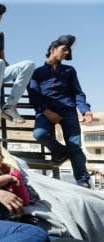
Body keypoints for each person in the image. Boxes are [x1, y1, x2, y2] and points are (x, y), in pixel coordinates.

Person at [28, 34, 95, 189]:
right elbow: (34, 95)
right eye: (64, 49)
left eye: (68, 51)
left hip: (68, 110)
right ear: (53, 50)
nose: (66, 53)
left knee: (75, 145)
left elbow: (77, 92)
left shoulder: (69, 70)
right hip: (45, 111)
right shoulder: (36, 72)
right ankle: (61, 152)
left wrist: (85, 110)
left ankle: (83, 180)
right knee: (39, 134)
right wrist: (47, 112)